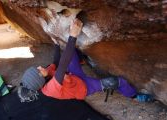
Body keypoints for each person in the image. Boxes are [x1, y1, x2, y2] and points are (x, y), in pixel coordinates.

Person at [18, 18, 152, 102]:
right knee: (115, 82)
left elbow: (56, 62)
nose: (40, 68)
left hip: (72, 76)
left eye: (37, 68)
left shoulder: (45, 73)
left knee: (69, 51)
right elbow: (63, 64)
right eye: (38, 71)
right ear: (40, 81)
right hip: (83, 87)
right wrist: (73, 36)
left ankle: (82, 60)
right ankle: (134, 96)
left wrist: (57, 44)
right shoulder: (51, 89)